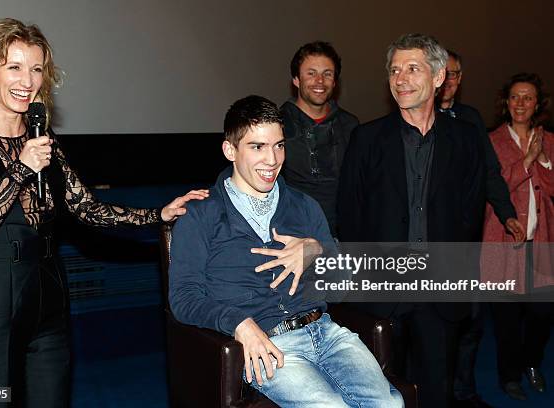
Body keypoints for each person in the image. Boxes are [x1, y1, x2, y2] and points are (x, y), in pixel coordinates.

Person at [0, 18, 207, 407]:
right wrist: (19, 169)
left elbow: (87, 206)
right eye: (14, 67)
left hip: (49, 296)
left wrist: (158, 214)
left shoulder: (43, 141)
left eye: (36, 69)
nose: (27, 80)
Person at [169, 95, 402, 407]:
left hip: (325, 332)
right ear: (230, 150)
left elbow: (342, 282)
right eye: (258, 147)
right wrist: (238, 323)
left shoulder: (304, 207)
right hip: (269, 345)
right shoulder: (201, 215)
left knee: (390, 403)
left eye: (279, 145)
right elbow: (184, 298)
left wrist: (316, 250)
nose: (272, 159)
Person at [337, 33, 485, 408]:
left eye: (412, 68)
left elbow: (470, 217)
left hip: (441, 292)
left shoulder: (466, 140)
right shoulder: (366, 139)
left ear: (439, 77)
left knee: (436, 391)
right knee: (378, 393)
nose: (400, 78)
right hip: (382, 293)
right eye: (394, 70)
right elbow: (350, 217)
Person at [437, 50, 525, 408]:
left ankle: (464, 392)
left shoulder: (471, 119)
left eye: (455, 74)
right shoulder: (416, 119)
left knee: (471, 324)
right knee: (431, 326)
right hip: (430, 245)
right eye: (443, 73)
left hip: (467, 241)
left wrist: (506, 214)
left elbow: (491, 173)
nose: (449, 81)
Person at [481, 73, 553, 401]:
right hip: (502, 244)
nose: (521, 103)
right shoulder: (492, 141)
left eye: (528, 98)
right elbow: (494, 188)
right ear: (506, 103)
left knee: (541, 313)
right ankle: (509, 375)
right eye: (515, 97)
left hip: (541, 243)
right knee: (506, 318)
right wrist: (526, 160)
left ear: (537, 104)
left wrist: (541, 159)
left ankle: (532, 363)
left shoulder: (549, 140)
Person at [281, 41, 358, 237]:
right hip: (293, 236)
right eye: (311, 73)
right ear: (296, 79)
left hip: (344, 236)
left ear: (335, 82)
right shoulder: (277, 125)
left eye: (327, 74)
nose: (319, 81)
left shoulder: (351, 126)